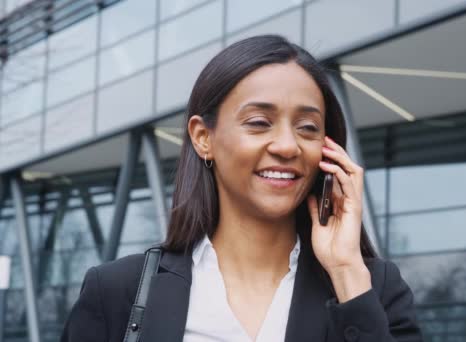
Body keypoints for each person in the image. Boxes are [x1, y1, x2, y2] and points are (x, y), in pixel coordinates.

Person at [61, 35, 422, 342]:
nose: (287, 145)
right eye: (259, 122)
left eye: (308, 127)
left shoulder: (371, 287)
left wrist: (346, 273)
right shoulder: (116, 291)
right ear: (204, 138)